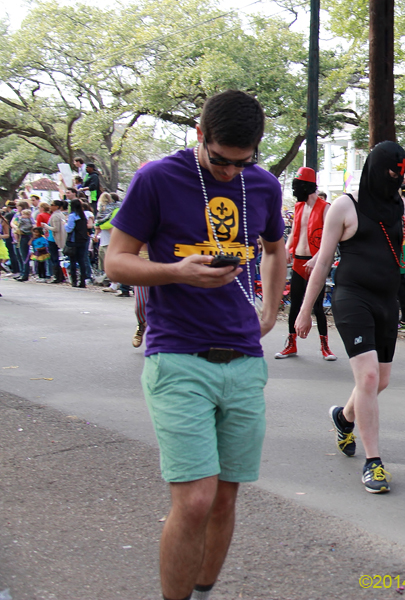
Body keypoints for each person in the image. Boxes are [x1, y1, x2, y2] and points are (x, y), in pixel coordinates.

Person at [105, 89, 287, 600]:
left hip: (244, 362)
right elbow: (115, 260)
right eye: (220, 161)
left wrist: (270, 312)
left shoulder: (264, 186)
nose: (230, 172)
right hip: (178, 355)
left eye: (242, 161)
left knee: (225, 500)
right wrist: (173, 272)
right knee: (194, 500)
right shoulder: (158, 178)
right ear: (200, 136)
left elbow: (276, 249)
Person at [295, 141, 405, 494]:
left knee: (378, 382)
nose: (397, 180)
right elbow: (323, 262)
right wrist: (305, 310)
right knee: (368, 376)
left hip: (387, 301)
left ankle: (344, 417)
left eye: (401, 173)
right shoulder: (344, 206)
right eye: (391, 172)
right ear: (374, 169)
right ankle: (374, 463)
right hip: (351, 297)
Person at [276, 166, 336, 361]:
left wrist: (317, 257)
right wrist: (286, 248)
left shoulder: (325, 207)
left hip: (316, 263)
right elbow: (294, 233)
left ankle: (325, 345)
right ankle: (291, 343)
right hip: (298, 262)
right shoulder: (299, 207)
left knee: (317, 306)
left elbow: (330, 239)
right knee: (295, 305)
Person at [47, 199, 68, 283]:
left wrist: (46, 226)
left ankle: (57, 276)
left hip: (53, 239)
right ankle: (60, 275)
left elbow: (56, 228)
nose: (50, 206)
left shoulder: (55, 215)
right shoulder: (60, 214)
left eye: (52, 205)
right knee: (56, 257)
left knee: (54, 258)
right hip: (55, 238)